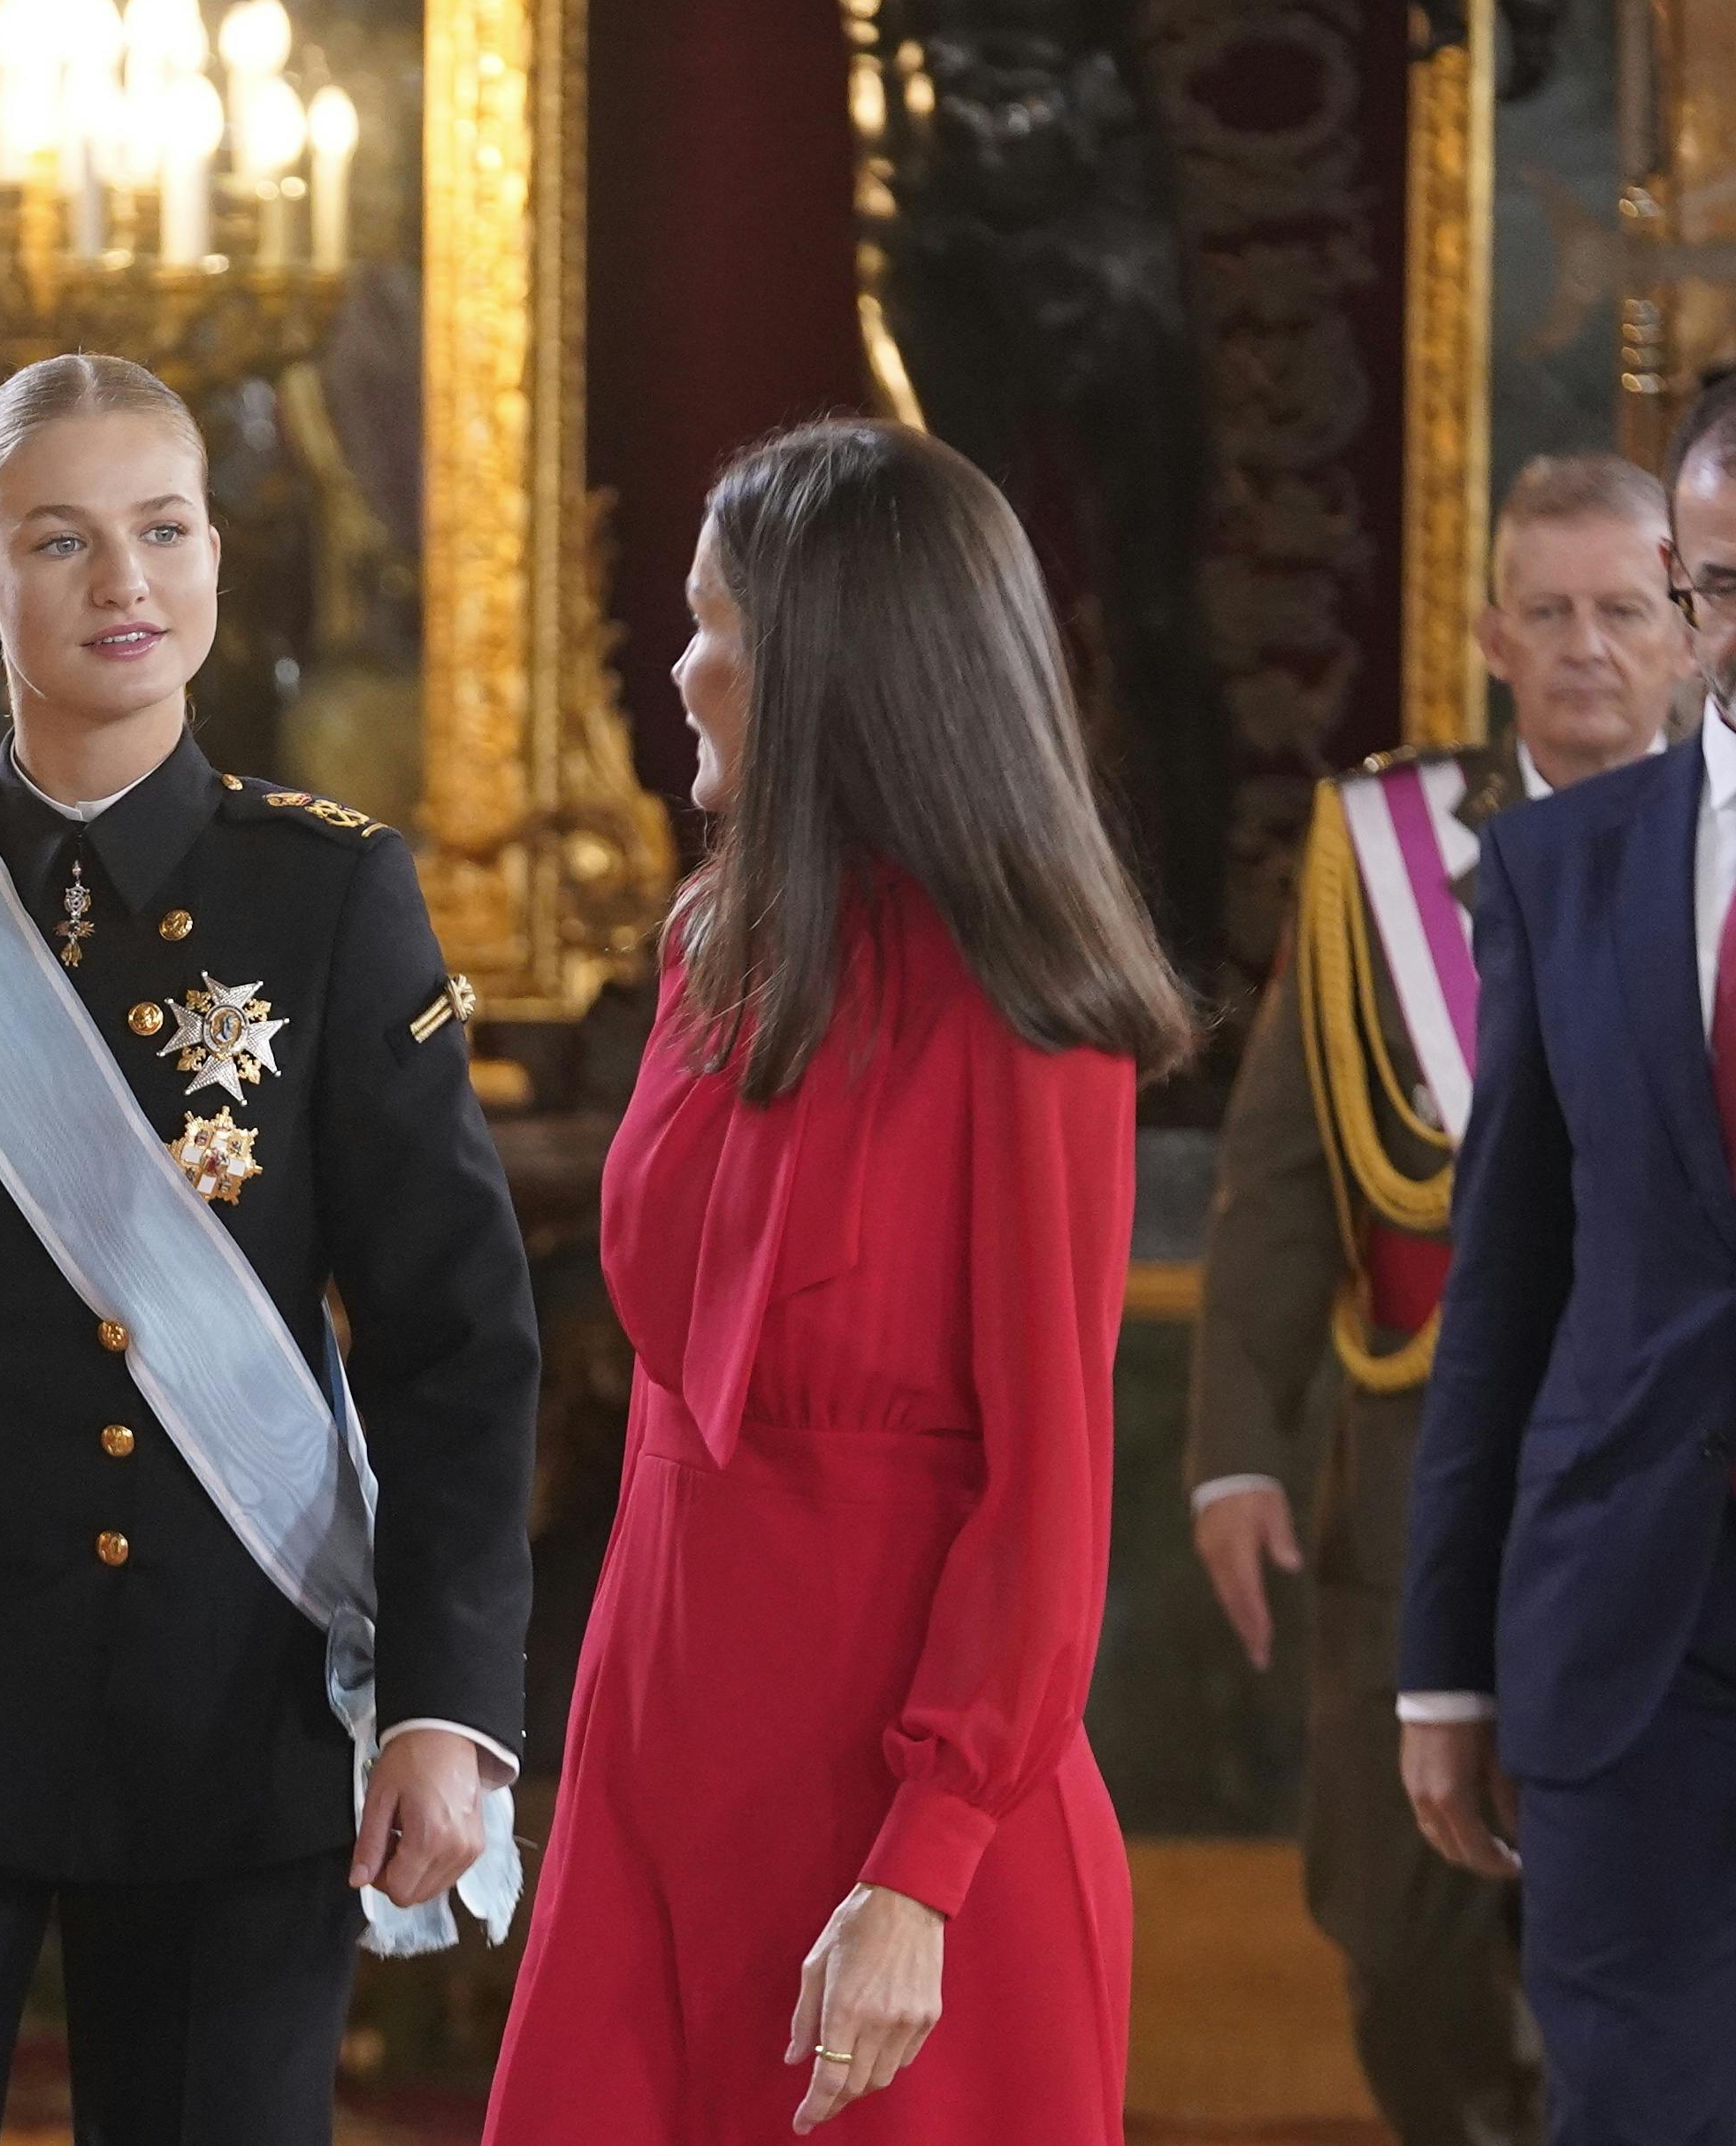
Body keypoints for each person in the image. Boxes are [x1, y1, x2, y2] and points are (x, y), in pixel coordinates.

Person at [0, 353, 541, 2146]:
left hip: (227, 1710)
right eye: (60, 540)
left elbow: (456, 1345)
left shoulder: (326, 892)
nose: (123, 585)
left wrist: (449, 1708)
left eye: (163, 530)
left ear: (218, 558)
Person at [485, 420, 1190, 2142]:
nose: (678, 668)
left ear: (818, 666)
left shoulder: (1026, 1017)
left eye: (708, 621)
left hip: (900, 1844)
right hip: (654, 1779)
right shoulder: (705, 951)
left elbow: (1047, 1497)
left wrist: (925, 1869)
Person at [1187, 451, 1685, 2146]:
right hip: (1417, 1467)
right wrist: (1235, 1446)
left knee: (1640, 1935)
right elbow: (1278, 1170)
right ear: (1490, 631)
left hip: (1671, 1465)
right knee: (1398, 1937)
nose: (1587, 646)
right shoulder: (1378, 849)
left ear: (1684, 627)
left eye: (1626, 607)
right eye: (1547, 611)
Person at [1401, 376, 1736, 2146]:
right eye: (1720, 578)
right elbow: (1502, 1289)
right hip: (1629, 1646)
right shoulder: (1563, 870)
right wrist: (1445, 1665)